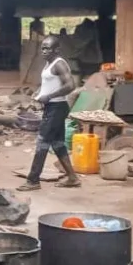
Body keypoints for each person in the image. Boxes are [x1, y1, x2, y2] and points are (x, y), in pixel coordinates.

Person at [18, 36, 82, 191]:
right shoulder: (49, 64)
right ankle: (72, 177)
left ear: (57, 50)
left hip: (57, 107)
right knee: (58, 143)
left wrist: (49, 96)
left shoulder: (59, 64)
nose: (44, 51)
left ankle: (33, 180)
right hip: (52, 107)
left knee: (42, 142)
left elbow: (70, 85)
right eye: (43, 48)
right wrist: (39, 94)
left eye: (47, 48)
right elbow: (48, 84)